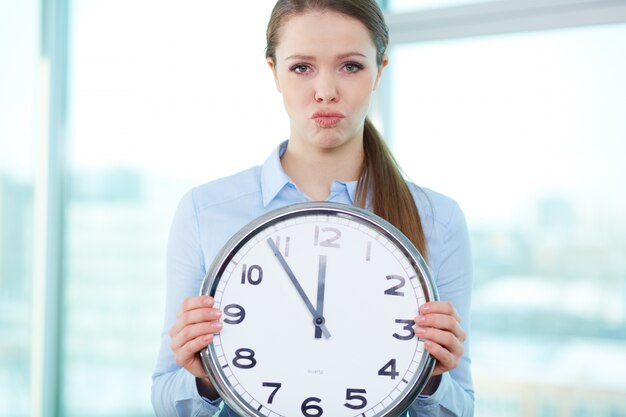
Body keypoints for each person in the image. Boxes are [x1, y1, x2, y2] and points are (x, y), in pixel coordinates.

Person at [151, 0, 474, 415]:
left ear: (380, 71)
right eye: (302, 67)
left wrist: (429, 378)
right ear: (274, 72)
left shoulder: (438, 219)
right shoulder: (205, 211)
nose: (325, 90)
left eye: (351, 66)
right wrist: (206, 378)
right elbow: (165, 400)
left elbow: (460, 407)